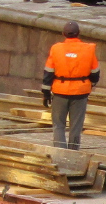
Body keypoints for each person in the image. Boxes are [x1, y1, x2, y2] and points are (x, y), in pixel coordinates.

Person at [42, 21, 99, 150]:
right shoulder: (89, 49)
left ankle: (60, 152)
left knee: (58, 125)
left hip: (60, 92)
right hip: (80, 93)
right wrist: (87, 83)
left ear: (63, 34)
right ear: (78, 33)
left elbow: (48, 72)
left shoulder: (56, 49)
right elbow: (95, 73)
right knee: (76, 126)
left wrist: (46, 94)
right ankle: (73, 152)